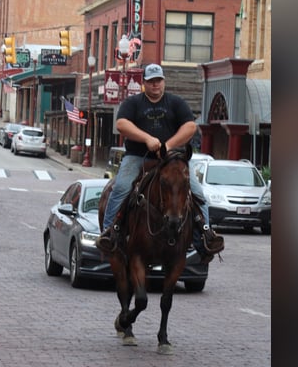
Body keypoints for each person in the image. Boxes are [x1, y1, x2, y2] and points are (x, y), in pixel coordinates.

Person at [96, 63, 224, 262]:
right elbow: (121, 124)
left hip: (172, 159)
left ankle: (205, 238)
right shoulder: (133, 103)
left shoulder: (175, 103)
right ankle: (109, 234)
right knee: (120, 187)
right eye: (151, 81)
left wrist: (168, 145)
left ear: (163, 81)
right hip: (138, 156)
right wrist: (147, 138)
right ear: (144, 83)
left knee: (198, 193)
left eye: (158, 81)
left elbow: (190, 127)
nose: (155, 85)